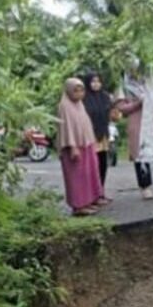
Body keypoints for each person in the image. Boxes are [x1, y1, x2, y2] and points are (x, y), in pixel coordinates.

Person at [115, 58, 153, 200]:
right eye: (133, 69)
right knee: (141, 153)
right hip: (137, 121)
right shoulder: (122, 87)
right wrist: (138, 102)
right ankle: (145, 186)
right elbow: (122, 108)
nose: (137, 73)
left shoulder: (152, 83)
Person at [56, 78, 105, 216]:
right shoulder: (64, 106)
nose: (79, 94)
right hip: (74, 147)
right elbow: (66, 128)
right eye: (75, 91)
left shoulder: (79, 104)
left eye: (82, 90)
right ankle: (78, 206)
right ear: (68, 91)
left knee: (88, 174)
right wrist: (73, 146)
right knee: (76, 177)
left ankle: (88, 201)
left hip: (86, 145)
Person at [81, 71, 114, 200]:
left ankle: (100, 192)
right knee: (91, 166)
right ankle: (91, 194)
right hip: (89, 136)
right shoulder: (83, 98)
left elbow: (111, 114)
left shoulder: (105, 96)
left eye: (98, 81)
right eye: (93, 81)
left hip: (103, 135)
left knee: (102, 164)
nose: (96, 84)